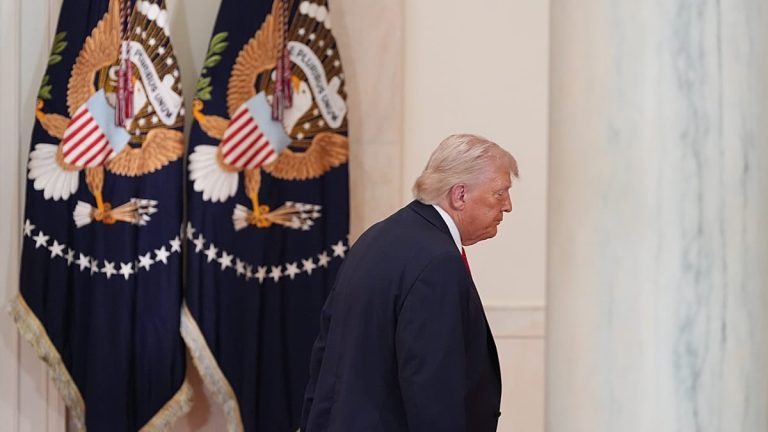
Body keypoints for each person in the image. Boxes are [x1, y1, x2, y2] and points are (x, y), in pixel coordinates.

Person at [300, 134, 519, 432]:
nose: (507, 206)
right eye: (499, 193)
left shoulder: (376, 238)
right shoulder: (437, 261)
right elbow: (433, 390)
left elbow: (324, 357)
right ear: (460, 195)